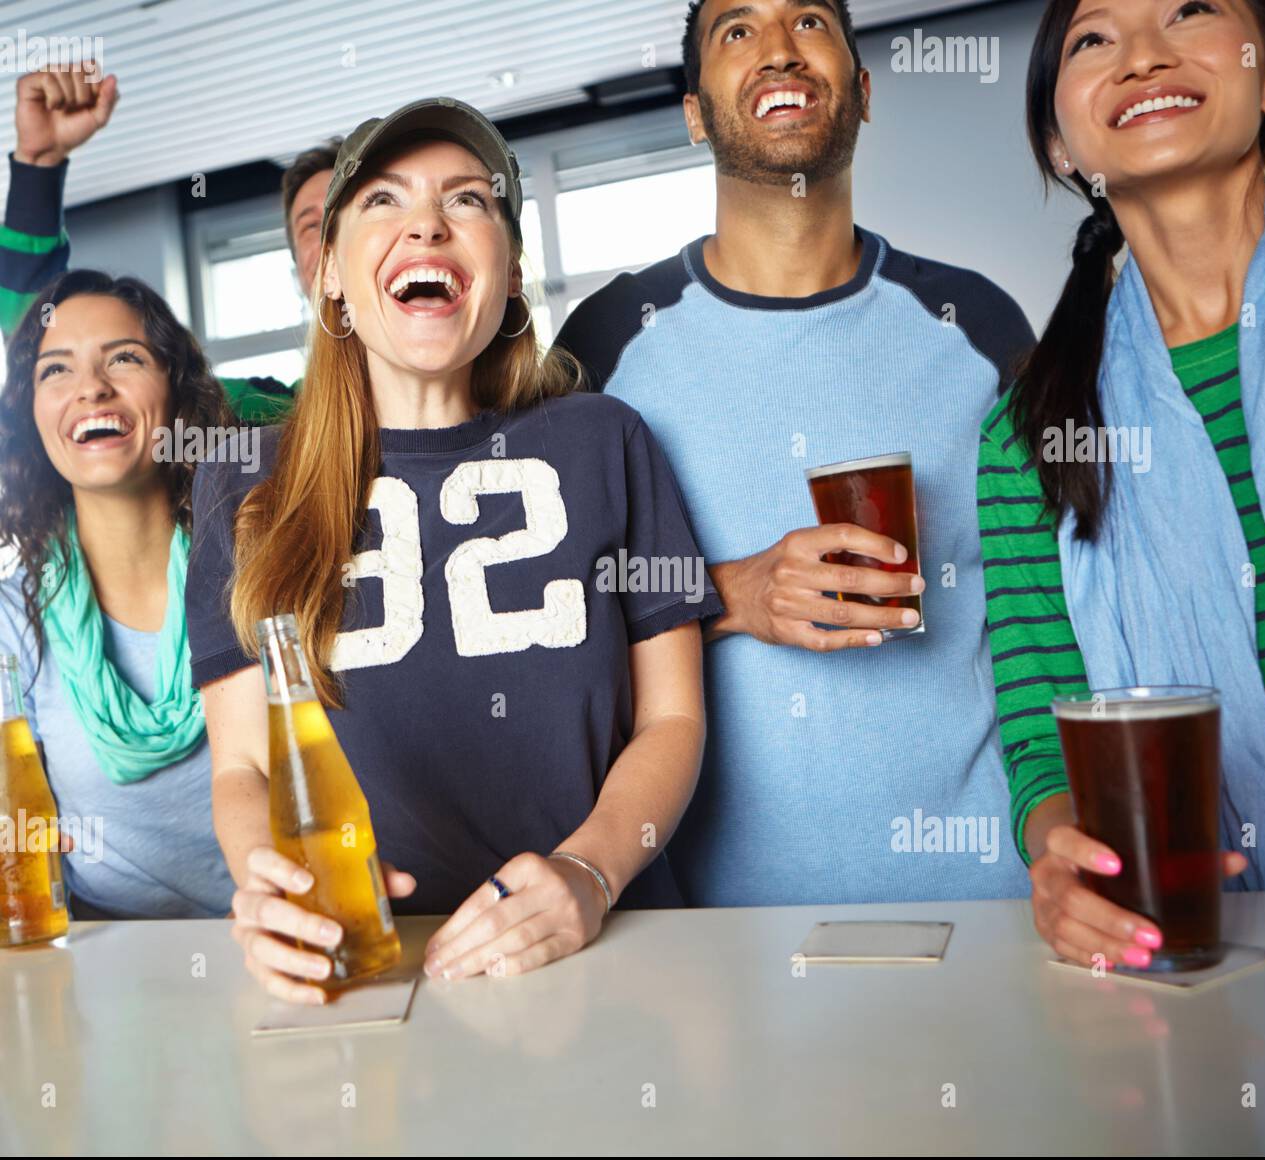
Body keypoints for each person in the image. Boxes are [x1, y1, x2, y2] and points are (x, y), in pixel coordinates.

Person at [186, 98, 720, 1004]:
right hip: (367, 978)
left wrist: (587, 877)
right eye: (384, 201)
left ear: (510, 272)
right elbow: (243, 767)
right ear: (330, 277)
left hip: (608, 959)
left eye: (468, 199)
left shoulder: (606, 440)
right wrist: (270, 889)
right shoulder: (245, 483)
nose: (428, 221)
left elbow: (673, 720)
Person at [555, 0, 1036, 906]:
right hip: (726, 943)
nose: (778, 48)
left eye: (809, 20)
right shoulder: (606, 344)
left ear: (862, 90)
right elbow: (545, 639)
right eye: (736, 31)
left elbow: (1046, 619)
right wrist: (728, 595)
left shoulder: (979, 326)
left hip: (990, 906)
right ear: (696, 112)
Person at [978, 0, 1265, 969]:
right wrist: (1063, 857)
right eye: (1093, 39)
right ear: (1058, 141)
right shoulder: (1027, 432)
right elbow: (1046, 734)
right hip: (1215, 975)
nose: (1142, 55)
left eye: (1190, 10)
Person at [0, 270, 235, 918]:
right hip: (107, 962)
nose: (92, 389)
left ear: (176, 392)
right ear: (30, 416)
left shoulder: (261, 568)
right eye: (55, 371)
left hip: (292, 939)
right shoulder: (9, 622)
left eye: (124, 358)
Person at [0, 62, 335, 423]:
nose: (333, 236)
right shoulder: (264, 417)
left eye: (348, 212)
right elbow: (39, 339)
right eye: (311, 226)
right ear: (299, 270)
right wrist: (39, 168)